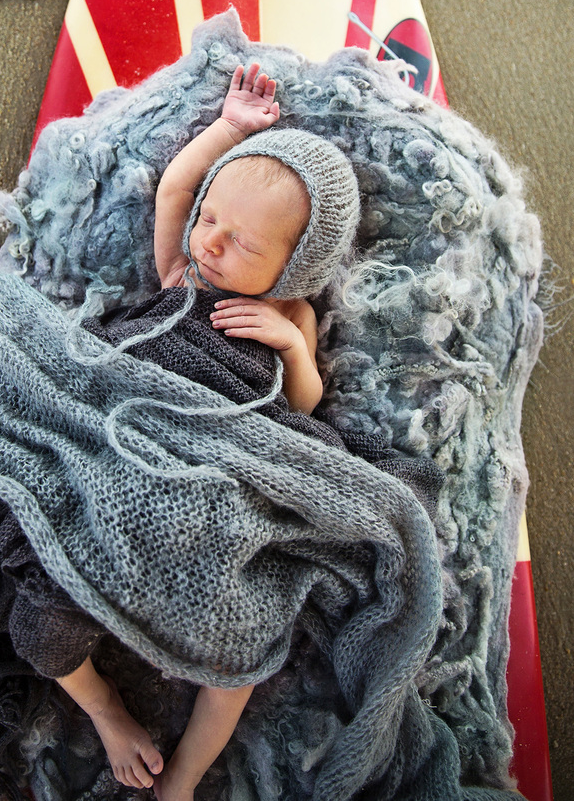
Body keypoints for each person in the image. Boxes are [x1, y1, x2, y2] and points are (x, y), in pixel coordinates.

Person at [52, 63, 361, 801]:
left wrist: (289, 350)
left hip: (223, 483)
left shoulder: (294, 317)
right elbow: (175, 190)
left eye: (244, 245)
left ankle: (184, 772)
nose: (214, 243)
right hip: (131, 441)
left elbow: (307, 407)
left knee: (248, 646)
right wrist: (230, 127)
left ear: (295, 268)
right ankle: (103, 707)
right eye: (212, 220)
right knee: (42, 604)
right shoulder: (183, 272)